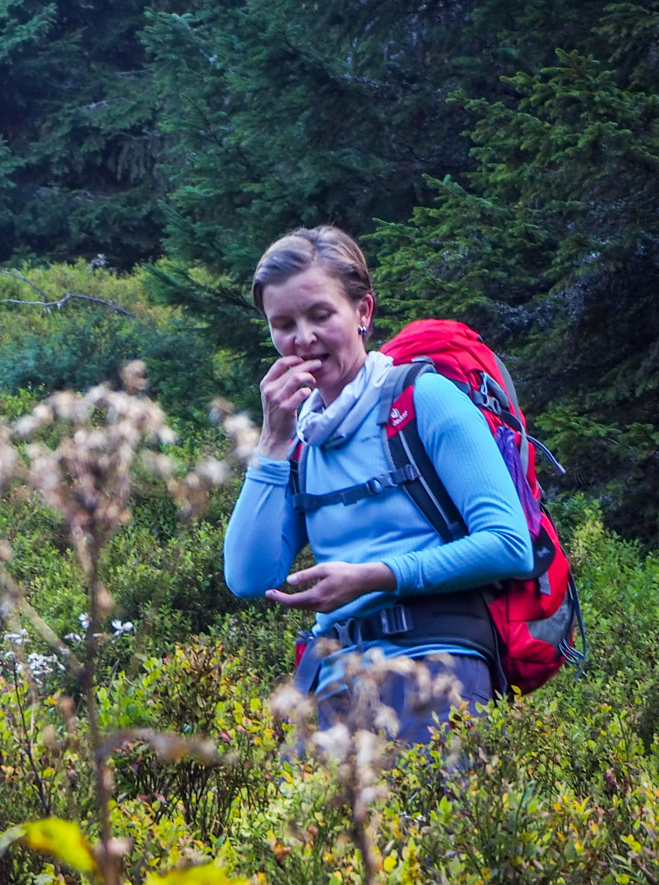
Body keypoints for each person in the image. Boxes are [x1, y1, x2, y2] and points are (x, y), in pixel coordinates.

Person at [223, 226, 534, 746]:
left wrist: (374, 577)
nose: (302, 338)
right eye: (283, 324)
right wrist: (273, 440)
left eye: (320, 315)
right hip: (331, 682)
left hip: (438, 672)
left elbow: (509, 545)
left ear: (363, 312)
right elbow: (248, 577)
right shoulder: (301, 439)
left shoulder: (425, 399)